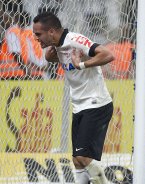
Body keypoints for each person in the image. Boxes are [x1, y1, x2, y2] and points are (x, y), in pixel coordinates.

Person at [33, 12, 114, 184]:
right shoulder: (59, 45)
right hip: (80, 106)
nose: (36, 38)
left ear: (52, 32)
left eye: (38, 34)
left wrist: (82, 64)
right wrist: (50, 54)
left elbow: (108, 55)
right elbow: (51, 56)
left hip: (96, 103)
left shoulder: (76, 40)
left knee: (83, 158)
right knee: (77, 161)